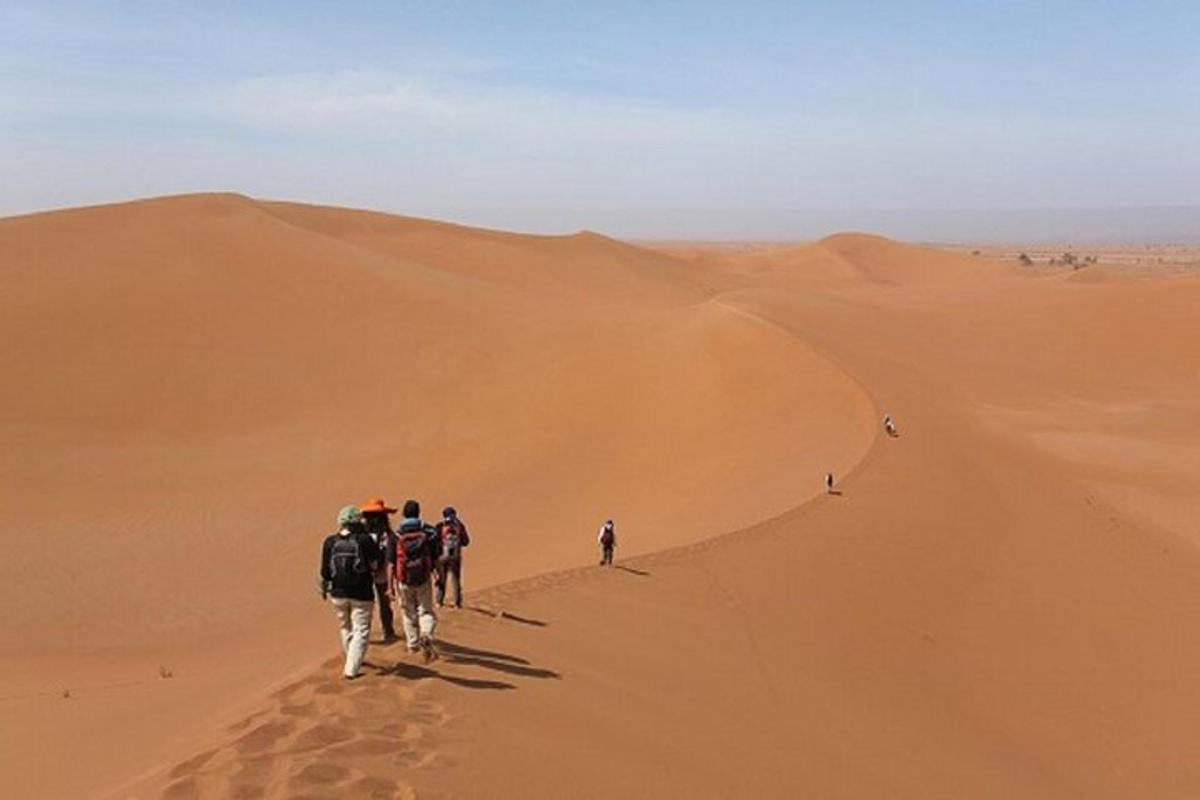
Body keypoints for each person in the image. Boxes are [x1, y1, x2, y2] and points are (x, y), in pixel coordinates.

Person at [319, 505, 381, 680]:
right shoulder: (365, 539)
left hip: (337, 593)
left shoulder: (330, 541)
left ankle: (351, 659)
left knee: (345, 627)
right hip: (362, 592)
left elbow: (325, 572)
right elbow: (376, 563)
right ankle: (351, 670)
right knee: (361, 630)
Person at [393, 499, 440, 662]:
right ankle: (426, 634)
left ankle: (412, 644)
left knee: (408, 612)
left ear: (404, 513)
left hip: (404, 579)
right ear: (418, 512)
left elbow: (391, 558)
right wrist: (436, 571)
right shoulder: (429, 531)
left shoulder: (397, 533)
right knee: (425, 611)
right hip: (423, 577)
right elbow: (436, 553)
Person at [361, 498, 399, 642]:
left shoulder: (362, 535)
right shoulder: (387, 535)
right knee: (384, 604)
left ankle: (363, 635)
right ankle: (388, 632)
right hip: (382, 573)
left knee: (365, 606)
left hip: (364, 574)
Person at [435, 506, 471, 608]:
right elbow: (466, 542)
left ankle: (439, 602)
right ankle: (457, 603)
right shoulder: (459, 526)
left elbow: (435, 541)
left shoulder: (440, 526)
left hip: (442, 557)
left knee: (442, 579)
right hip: (456, 557)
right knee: (456, 580)